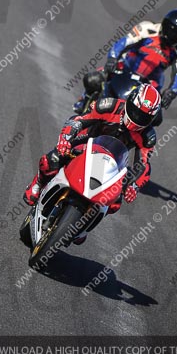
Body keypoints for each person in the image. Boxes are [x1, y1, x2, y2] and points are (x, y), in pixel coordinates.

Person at [23, 84, 162, 243]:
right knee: (54, 159)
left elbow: (144, 165)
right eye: (136, 112)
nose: (137, 119)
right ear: (130, 101)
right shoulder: (108, 105)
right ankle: (38, 183)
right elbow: (78, 121)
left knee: (115, 201)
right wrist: (66, 139)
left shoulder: (148, 136)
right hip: (85, 144)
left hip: (113, 162)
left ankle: (84, 224)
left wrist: (134, 186)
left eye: (143, 117)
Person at [73, 9, 177, 114]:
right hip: (125, 67)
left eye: (176, 35)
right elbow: (124, 42)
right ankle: (84, 101)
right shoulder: (147, 28)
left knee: (155, 114)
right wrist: (112, 58)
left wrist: (171, 93)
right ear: (164, 25)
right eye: (170, 31)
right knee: (94, 79)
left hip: (151, 82)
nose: (171, 36)